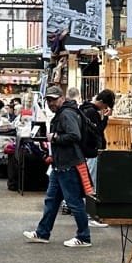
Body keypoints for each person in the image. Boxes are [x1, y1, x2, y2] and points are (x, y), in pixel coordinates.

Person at [23, 83, 91, 248]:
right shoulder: (66, 112)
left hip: (68, 164)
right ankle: (42, 233)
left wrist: (54, 138)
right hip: (61, 164)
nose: (51, 103)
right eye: (48, 100)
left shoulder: (66, 114)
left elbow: (74, 135)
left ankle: (84, 237)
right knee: (52, 200)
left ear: (62, 98)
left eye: (54, 100)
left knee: (73, 202)